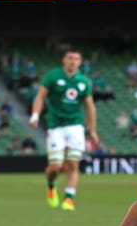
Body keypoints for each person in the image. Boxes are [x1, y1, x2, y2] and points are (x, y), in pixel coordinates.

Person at [29, 49, 98, 211]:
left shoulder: (83, 82)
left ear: (80, 62)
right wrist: (35, 115)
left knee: (73, 163)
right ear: (64, 60)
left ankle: (69, 199)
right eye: (70, 58)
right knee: (55, 167)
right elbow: (40, 96)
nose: (72, 61)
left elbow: (89, 106)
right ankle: (51, 186)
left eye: (76, 58)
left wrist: (93, 130)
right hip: (56, 127)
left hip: (75, 127)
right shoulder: (53, 76)